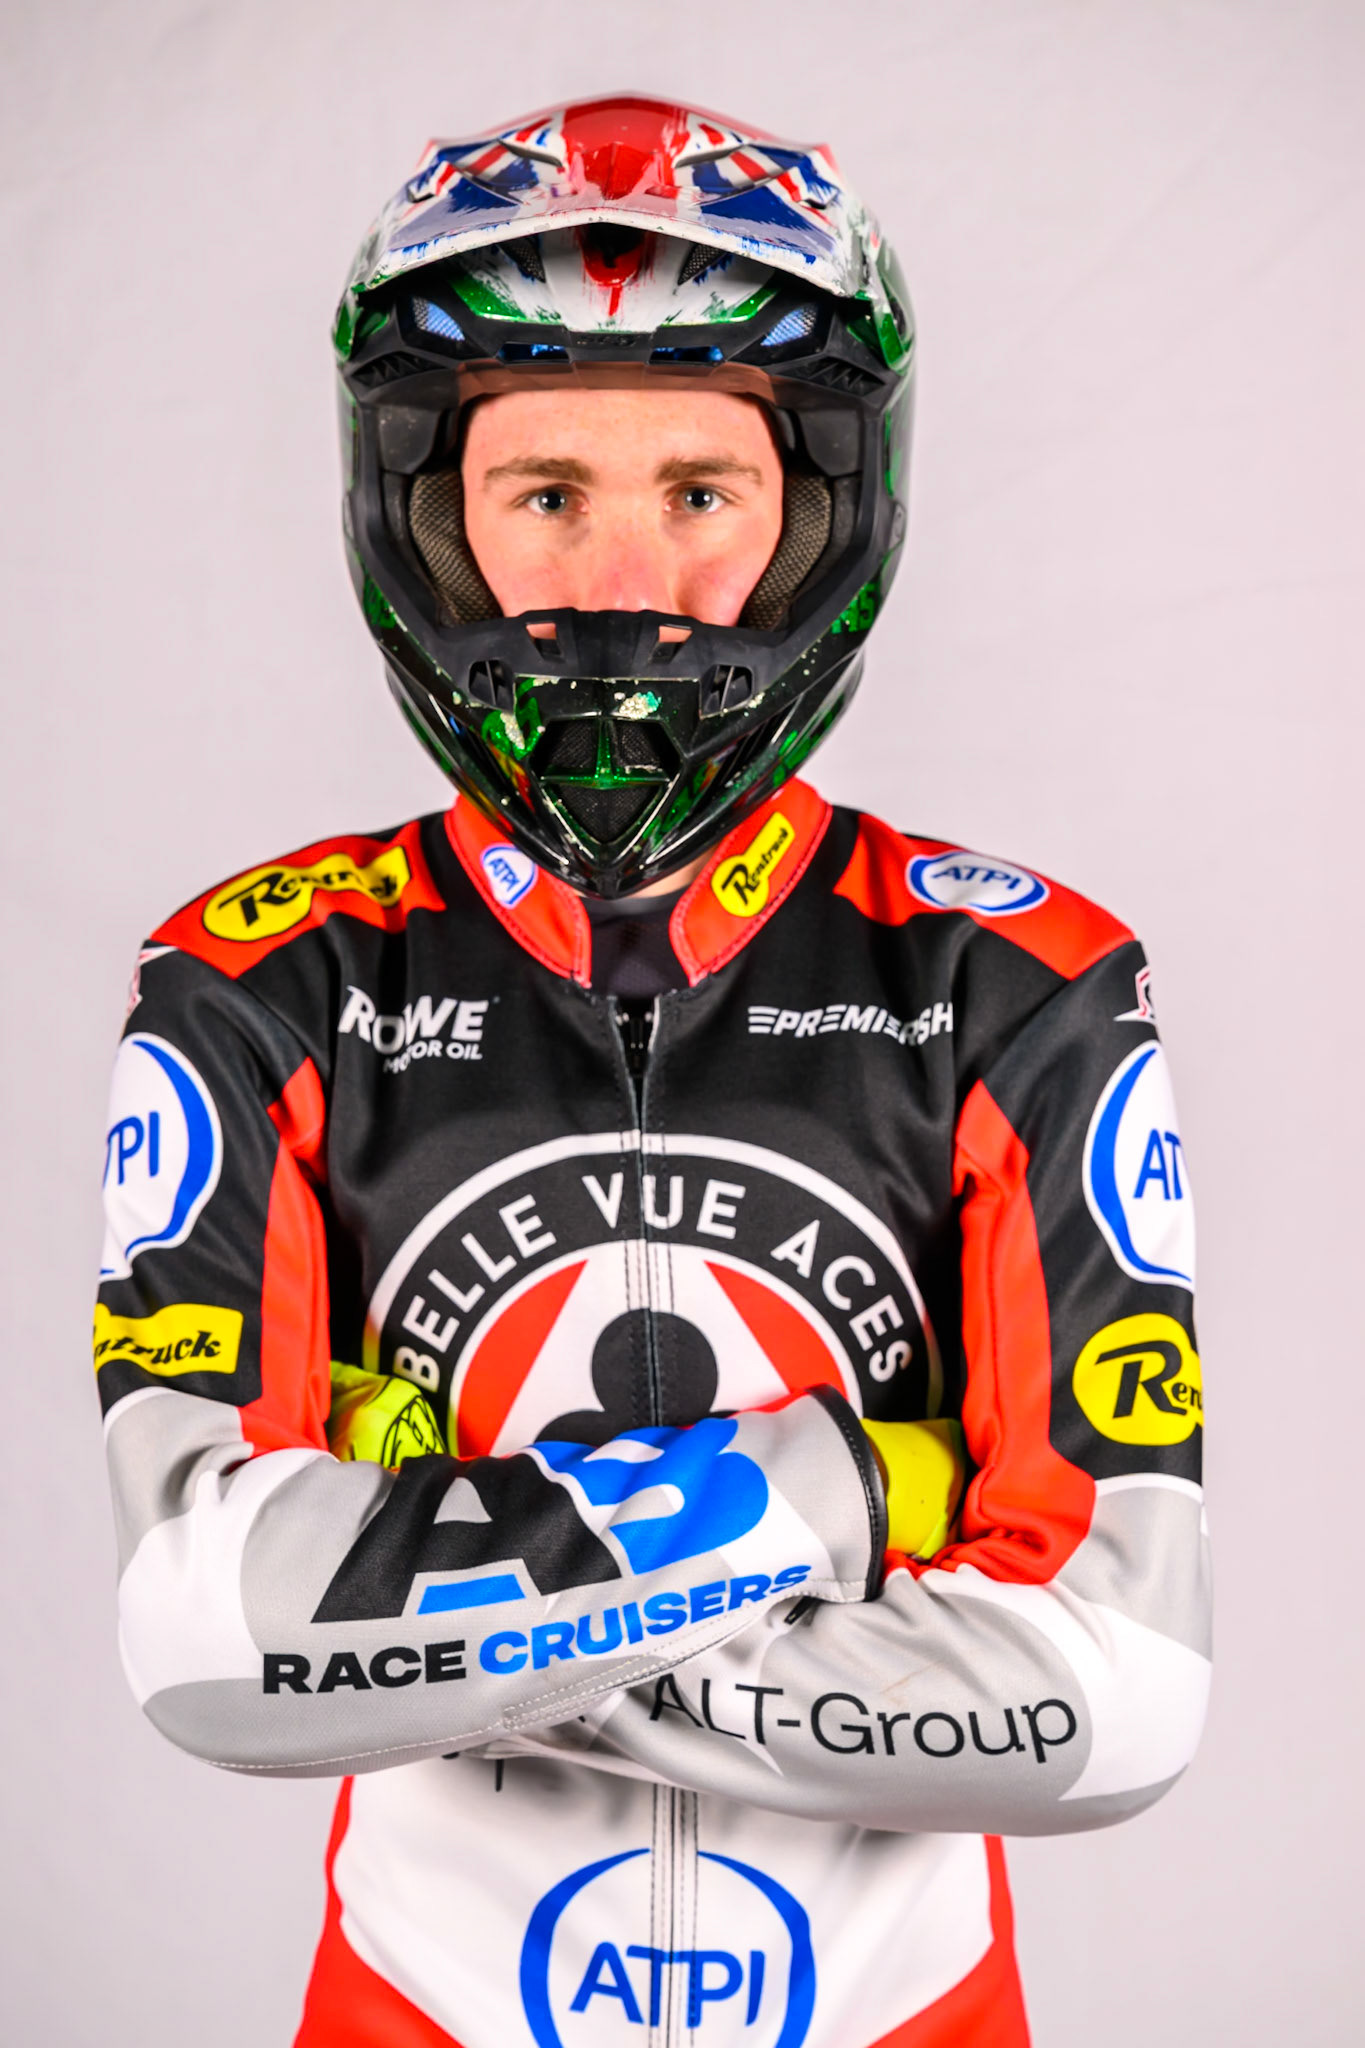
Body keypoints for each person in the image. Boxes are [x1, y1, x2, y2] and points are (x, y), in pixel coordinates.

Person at [93, 94, 1210, 2048]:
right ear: (426, 520)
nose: (622, 587)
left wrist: (421, 1594)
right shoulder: (260, 982)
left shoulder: (1012, 978)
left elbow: (1109, 1691)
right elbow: (207, 1638)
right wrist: (845, 1486)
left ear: (820, 513)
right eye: (545, 498)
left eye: (700, 491)